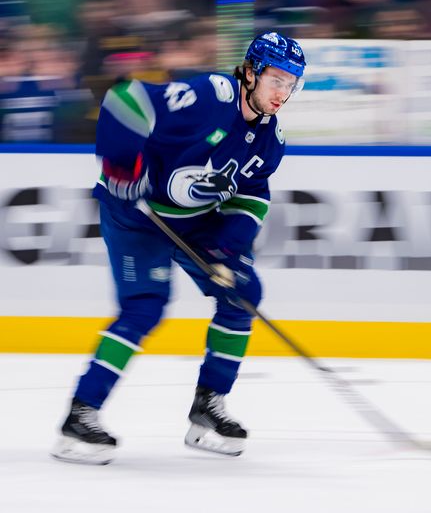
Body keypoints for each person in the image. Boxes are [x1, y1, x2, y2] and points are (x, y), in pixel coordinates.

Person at [51, 31, 306, 465]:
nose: (283, 92)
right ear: (250, 72)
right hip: (138, 216)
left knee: (242, 293)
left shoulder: (271, 139)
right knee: (145, 307)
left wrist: (231, 245)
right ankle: (81, 415)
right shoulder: (210, 95)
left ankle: (208, 409)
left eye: (291, 82)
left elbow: (253, 192)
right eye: (276, 79)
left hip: (197, 224)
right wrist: (121, 167)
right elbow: (126, 100)